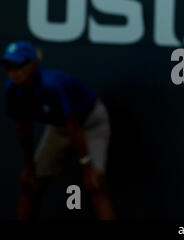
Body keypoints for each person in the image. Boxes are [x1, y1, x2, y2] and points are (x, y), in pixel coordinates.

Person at [1, 40, 116, 219]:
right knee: (31, 185)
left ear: (33, 64)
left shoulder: (51, 85)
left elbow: (74, 126)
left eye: (19, 64)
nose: (14, 71)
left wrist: (87, 167)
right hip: (60, 128)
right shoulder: (12, 90)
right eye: (8, 66)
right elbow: (23, 129)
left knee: (95, 185)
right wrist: (30, 167)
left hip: (91, 123)